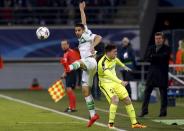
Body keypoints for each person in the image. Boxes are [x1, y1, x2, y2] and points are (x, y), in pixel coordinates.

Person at [61, 1, 102, 127]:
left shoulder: (87, 33)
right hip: (87, 69)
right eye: (75, 31)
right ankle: (93, 115)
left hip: (90, 61)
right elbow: (83, 20)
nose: (77, 32)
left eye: (78, 30)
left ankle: (69, 67)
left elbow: (99, 37)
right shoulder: (81, 38)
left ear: (83, 30)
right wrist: (81, 9)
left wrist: (93, 46)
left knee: (77, 62)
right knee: (85, 92)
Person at [98, 44, 146, 129]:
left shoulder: (113, 58)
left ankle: (134, 123)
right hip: (105, 83)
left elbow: (117, 60)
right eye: (114, 52)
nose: (116, 53)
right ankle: (110, 124)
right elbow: (108, 74)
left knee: (127, 99)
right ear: (108, 52)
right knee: (115, 99)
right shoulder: (102, 63)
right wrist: (120, 81)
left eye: (116, 51)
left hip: (115, 82)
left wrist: (124, 66)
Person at [139, 32, 170, 117]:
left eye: (159, 38)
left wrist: (153, 56)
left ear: (162, 39)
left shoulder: (166, 48)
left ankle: (163, 112)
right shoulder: (151, 47)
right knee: (146, 93)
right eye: (156, 39)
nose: (158, 40)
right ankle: (144, 111)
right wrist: (154, 57)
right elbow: (146, 58)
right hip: (152, 74)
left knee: (163, 94)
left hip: (162, 74)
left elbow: (163, 57)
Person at [60, 40, 80, 112]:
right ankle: (71, 107)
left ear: (68, 45)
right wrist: (65, 73)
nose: (63, 46)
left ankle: (72, 107)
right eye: (62, 45)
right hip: (69, 73)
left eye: (65, 44)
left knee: (69, 89)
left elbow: (72, 65)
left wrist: (65, 73)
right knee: (69, 90)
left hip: (71, 72)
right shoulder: (66, 53)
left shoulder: (70, 52)